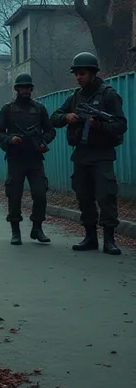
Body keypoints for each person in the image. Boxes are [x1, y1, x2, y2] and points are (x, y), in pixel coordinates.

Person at [50, 52, 127, 255]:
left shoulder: (108, 95)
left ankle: (109, 240)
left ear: (92, 73)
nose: (78, 77)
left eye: (82, 73)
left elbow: (121, 125)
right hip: (81, 154)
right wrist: (67, 117)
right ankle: (90, 237)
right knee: (84, 196)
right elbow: (54, 117)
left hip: (102, 154)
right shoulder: (75, 97)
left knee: (105, 196)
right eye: (76, 74)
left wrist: (98, 125)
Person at [0, 74, 56, 245]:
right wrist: (10, 140)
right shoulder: (8, 109)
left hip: (35, 159)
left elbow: (50, 130)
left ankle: (37, 228)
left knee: (40, 194)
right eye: (23, 87)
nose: (26, 90)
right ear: (16, 89)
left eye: (28, 88)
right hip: (15, 159)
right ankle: (15, 230)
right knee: (14, 196)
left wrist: (43, 142)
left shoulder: (39, 109)